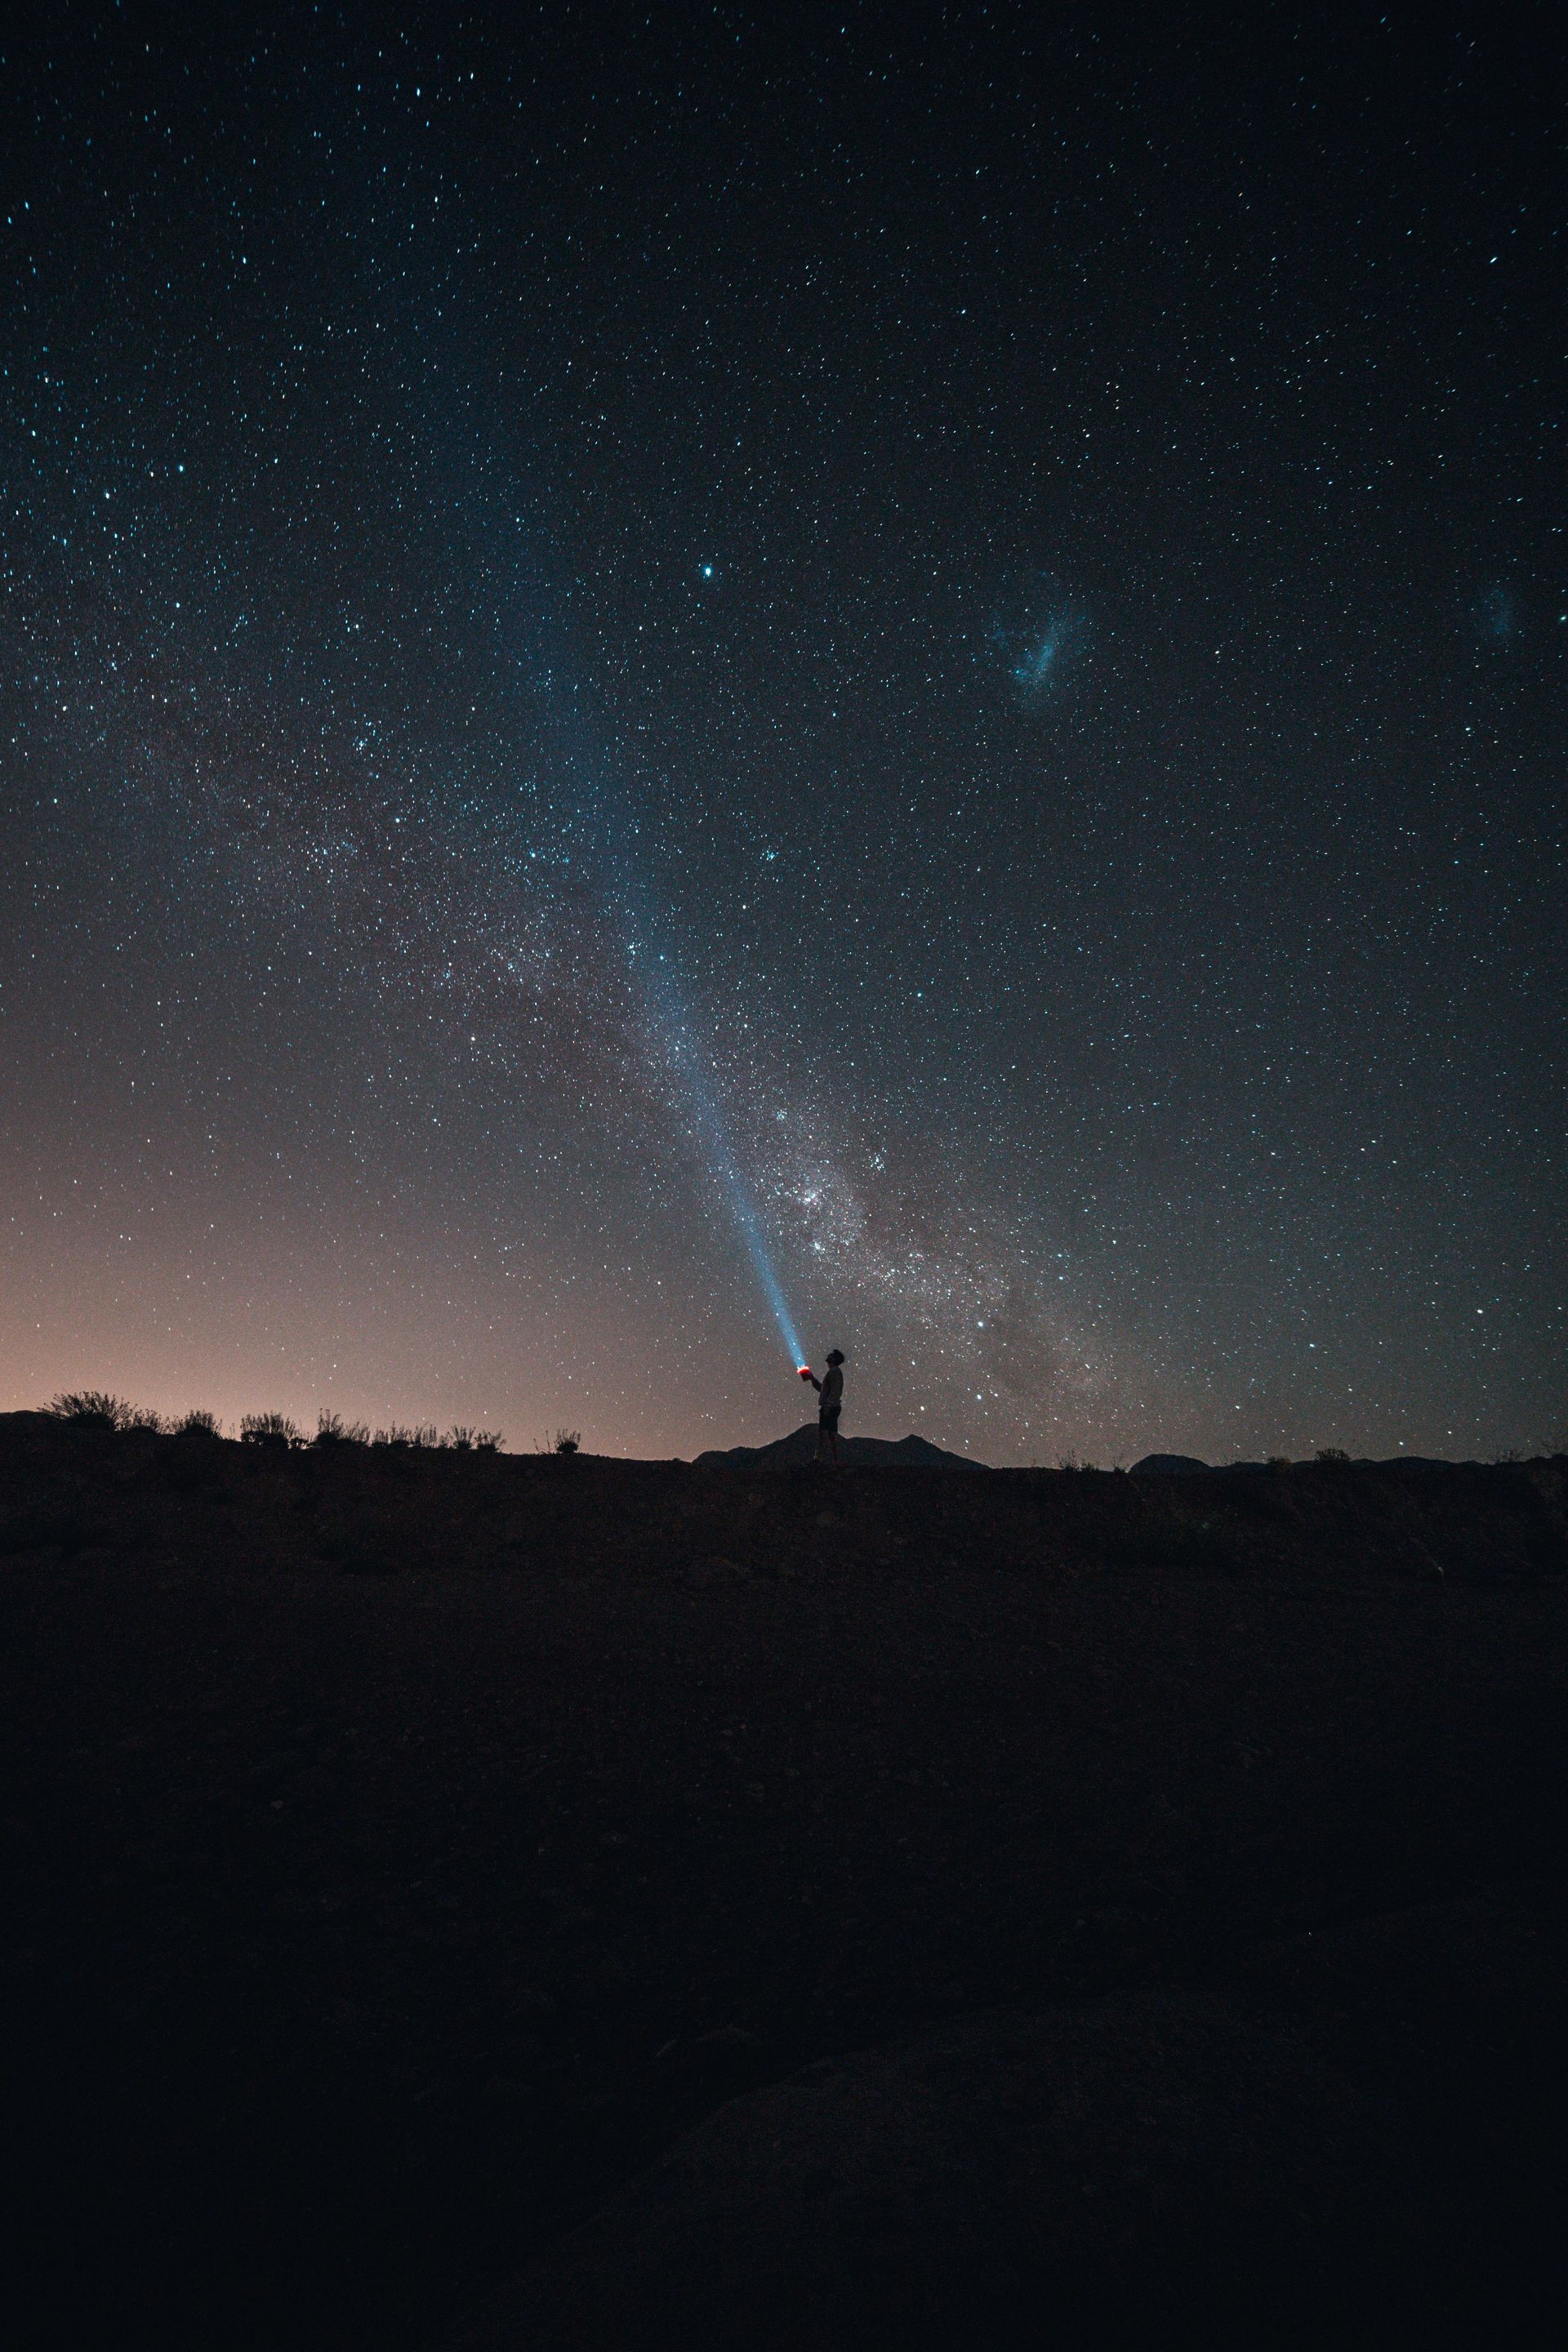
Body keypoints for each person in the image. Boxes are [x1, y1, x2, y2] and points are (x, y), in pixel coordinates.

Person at [804, 1349, 846, 1464]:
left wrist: (828, 1405)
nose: (828, 1356)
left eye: (831, 1355)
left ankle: (820, 1459)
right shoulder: (834, 1372)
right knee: (831, 1434)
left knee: (824, 1433)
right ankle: (835, 1460)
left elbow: (835, 1390)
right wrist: (812, 1378)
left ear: (834, 1359)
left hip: (830, 1407)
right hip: (833, 1406)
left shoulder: (834, 1372)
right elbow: (824, 1389)